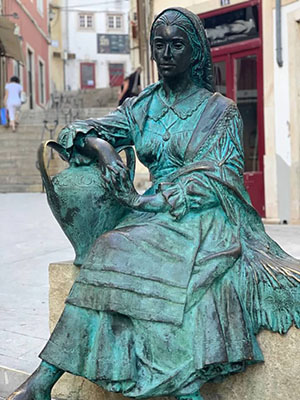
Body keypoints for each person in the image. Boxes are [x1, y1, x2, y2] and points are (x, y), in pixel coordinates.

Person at [8, 7, 300, 400]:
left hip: (205, 217)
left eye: (176, 45)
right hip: (153, 214)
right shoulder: (143, 107)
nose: (165, 54)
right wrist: (105, 151)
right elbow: (76, 131)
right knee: (114, 247)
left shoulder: (221, 111)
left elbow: (221, 178)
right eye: (158, 45)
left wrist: (154, 201)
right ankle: (45, 383)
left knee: (118, 249)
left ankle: (47, 382)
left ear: (194, 52)